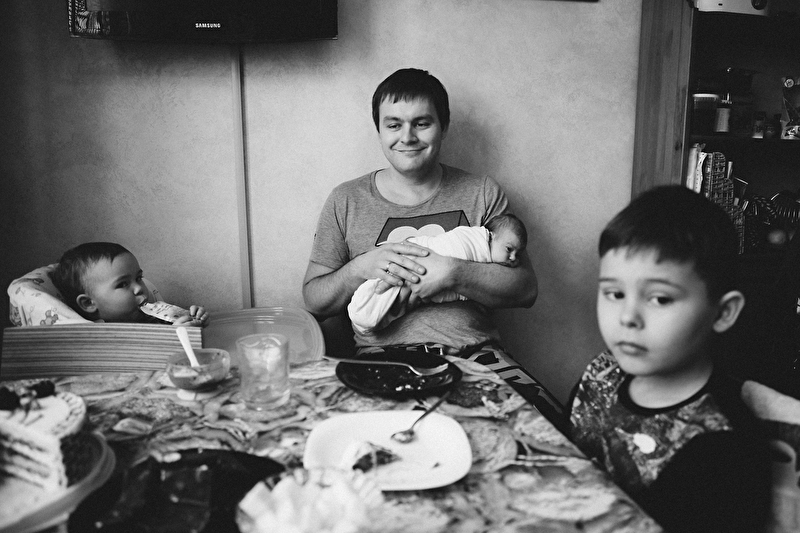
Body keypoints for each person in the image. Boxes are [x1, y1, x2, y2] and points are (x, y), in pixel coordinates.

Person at [302, 67, 563, 422]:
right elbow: (314, 300)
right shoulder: (345, 200)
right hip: (382, 362)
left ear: (443, 126)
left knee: (549, 430)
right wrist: (360, 268)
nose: (407, 137)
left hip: (477, 357)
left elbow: (525, 289)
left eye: (421, 123)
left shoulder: (482, 192)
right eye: (394, 124)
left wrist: (453, 273)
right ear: (379, 130)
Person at [568, 186, 771, 533]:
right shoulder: (600, 375)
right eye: (614, 293)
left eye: (660, 299)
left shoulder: (724, 449)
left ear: (722, 312)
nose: (628, 317)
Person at [348, 214, 527, 334]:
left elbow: (525, 292)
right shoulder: (474, 239)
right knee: (381, 295)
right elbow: (454, 247)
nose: (513, 258)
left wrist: (450, 271)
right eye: (509, 249)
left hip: (472, 348)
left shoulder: (488, 194)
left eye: (517, 254)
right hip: (383, 350)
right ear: (491, 236)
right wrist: (361, 265)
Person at [52, 242, 209, 326]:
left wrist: (192, 319)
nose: (139, 288)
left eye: (138, 278)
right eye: (122, 284)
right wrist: (174, 337)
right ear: (89, 303)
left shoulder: (151, 318)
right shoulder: (102, 338)